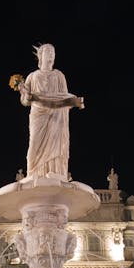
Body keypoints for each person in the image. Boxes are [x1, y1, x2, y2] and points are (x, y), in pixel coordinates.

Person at [17, 43, 84, 178]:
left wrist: (73, 101)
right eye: (48, 51)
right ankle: (33, 174)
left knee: (56, 146)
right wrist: (24, 92)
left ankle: (56, 173)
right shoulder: (33, 76)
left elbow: (64, 98)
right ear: (41, 56)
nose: (51, 55)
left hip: (57, 118)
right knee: (34, 148)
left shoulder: (59, 76)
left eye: (53, 52)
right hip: (38, 116)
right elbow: (25, 102)